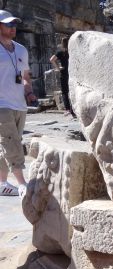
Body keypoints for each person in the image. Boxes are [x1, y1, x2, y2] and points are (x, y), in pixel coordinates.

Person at [0, 10, 36, 197]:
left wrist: (29, 93)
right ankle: (22, 183)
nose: (13, 28)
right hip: (1, 105)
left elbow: (25, 76)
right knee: (12, 143)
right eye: (8, 24)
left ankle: (2, 183)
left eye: (14, 24)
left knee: (7, 144)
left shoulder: (21, 50)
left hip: (19, 104)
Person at [50, 37, 75, 118]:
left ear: (62, 44)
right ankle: (73, 109)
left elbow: (52, 59)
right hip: (72, 74)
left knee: (65, 92)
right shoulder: (72, 52)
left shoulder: (60, 52)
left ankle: (68, 110)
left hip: (64, 73)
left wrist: (58, 68)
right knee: (72, 91)